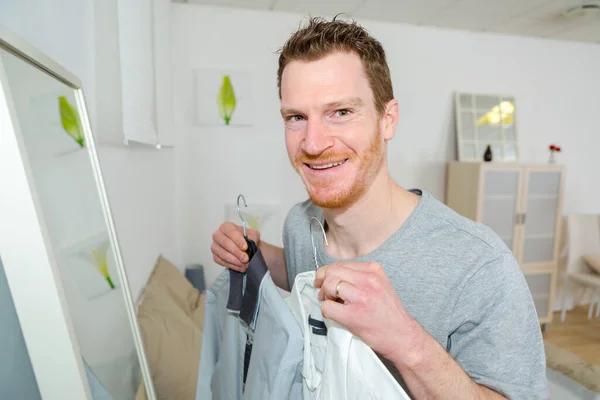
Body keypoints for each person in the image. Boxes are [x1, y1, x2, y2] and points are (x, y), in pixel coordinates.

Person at [211, 16, 548, 399]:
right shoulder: (300, 223)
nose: (314, 142)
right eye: (297, 118)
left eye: (341, 112)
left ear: (388, 120)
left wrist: (405, 340)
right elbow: (300, 268)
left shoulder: (481, 267)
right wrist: (251, 252)